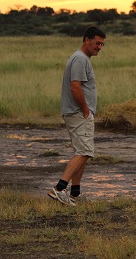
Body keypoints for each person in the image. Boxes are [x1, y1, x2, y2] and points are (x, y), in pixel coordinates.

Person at [48, 26, 106, 206]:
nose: (99, 47)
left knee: (82, 152)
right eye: (97, 43)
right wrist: (85, 109)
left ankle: (75, 194)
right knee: (84, 151)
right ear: (86, 40)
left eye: (102, 44)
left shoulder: (81, 58)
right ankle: (58, 189)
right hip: (78, 113)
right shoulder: (80, 59)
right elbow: (75, 87)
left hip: (77, 113)